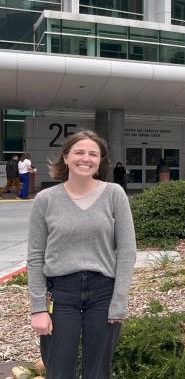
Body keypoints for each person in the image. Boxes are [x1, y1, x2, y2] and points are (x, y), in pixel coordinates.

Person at [27, 130, 136, 378]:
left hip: (103, 293)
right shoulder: (45, 200)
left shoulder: (114, 194)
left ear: (100, 161)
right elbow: (35, 257)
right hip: (61, 293)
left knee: (98, 371)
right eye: (79, 152)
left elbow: (127, 251)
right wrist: (38, 308)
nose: (85, 158)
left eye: (93, 154)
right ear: (65, 158)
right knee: (58, 369)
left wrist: (119, 301)